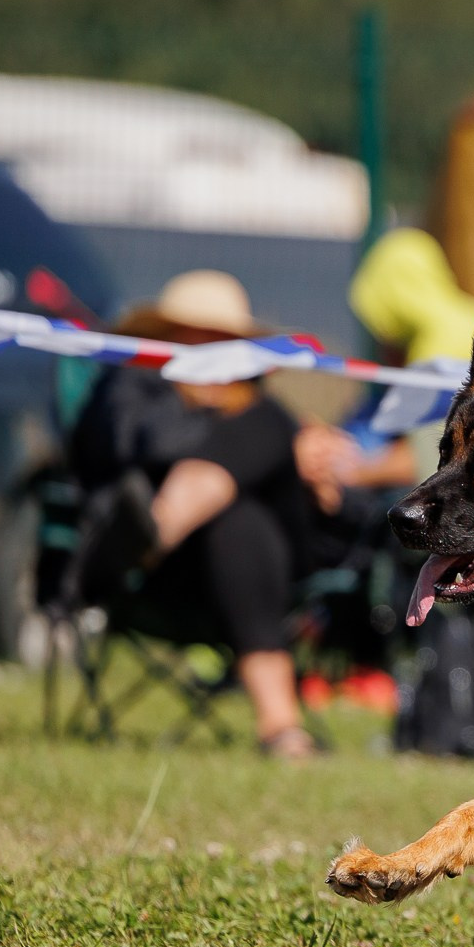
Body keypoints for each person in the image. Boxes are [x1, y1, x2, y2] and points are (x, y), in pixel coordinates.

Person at [69, 270, 326, 759]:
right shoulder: (131, 382)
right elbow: (137, 443)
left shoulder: (258, 404)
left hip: (261, 568)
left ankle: (154, 531)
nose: (217, 349)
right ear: (166, 336)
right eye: (202, 335)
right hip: (162, 580)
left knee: (254, 476)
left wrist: (316, 454)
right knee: (242, 507)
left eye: (227, 339)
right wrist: (202, 402)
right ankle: (280, 726)